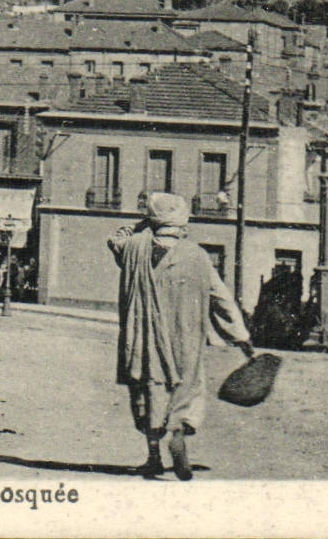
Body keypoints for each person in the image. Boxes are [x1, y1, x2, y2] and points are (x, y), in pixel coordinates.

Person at [107, 191, 255, 480]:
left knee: (147, 395)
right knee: (185, 391)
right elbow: (220, 298)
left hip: (145, 341)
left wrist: (143, 224)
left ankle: (153, 455)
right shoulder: (197, 255)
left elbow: (116, 237)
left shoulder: (133, 248)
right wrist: (240, 336)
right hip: (184, 340)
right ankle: (179, 429)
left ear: (152, 218)